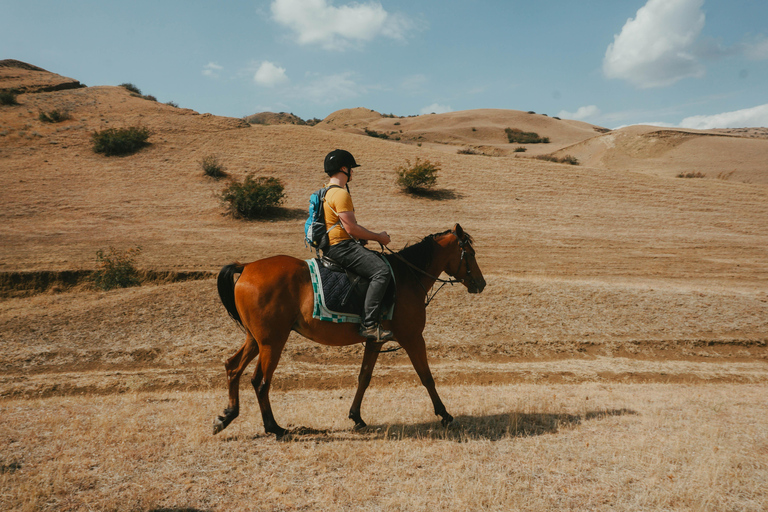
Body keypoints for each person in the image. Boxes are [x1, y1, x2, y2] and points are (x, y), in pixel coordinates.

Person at [322, 149, 394, 342]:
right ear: (344, 169)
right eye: (351, 169)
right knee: (381, 271)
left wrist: (361, 237)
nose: (353, 173)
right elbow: (352, 228)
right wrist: (379, 237)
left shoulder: (326, 192)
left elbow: (343, 226)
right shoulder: (340, 194)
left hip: (333, 245)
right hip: (341, 247)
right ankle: (369, 325)